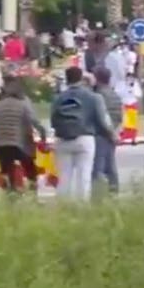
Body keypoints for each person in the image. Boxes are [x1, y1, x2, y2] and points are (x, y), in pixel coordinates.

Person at [51, 66, 113, 201]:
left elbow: (53, 120)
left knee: (64, 177)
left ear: (67, 79)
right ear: (81, 78)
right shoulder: (93, 97)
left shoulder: (58, 98)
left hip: (63, 139)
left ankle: (63, 206)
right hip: (85, 138)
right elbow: (101, 122)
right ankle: (82, 208)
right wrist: (111, 135)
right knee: (84, 176)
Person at [0, 78, 46, 193]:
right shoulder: (23, 105)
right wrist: (43, 135)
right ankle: (32, 191)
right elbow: (35, 122)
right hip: (17, 144)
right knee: (29, 166)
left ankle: (9, 193)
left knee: (6, 169)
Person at [91, 66, 122, 192]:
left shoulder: (98, 95)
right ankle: (114, 190)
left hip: (101, 133)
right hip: (113, 131)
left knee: (98, 166)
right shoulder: (115, 95)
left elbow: (100, 115)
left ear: (97, 78)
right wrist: (115, 132)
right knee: (111, 165)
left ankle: (97, 193)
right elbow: (120, 116)